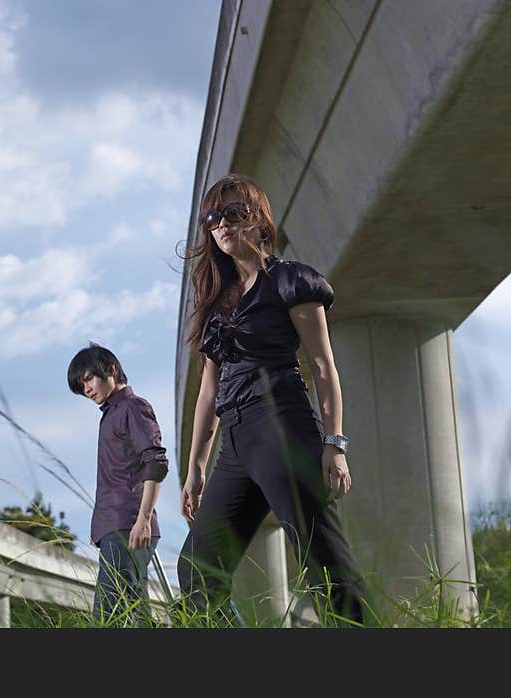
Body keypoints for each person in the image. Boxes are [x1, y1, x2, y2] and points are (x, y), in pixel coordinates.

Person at [177, 173, 367, 625]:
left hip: (282, 424)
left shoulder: (290, 282)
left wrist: (334, 444)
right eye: (212, 217)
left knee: (325, 567)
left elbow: (322, 365)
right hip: (235, 444)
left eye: (232, 213)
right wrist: (195, 468)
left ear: (259, 221)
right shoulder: (216, 304)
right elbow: (208, 393)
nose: (220, 224)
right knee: (196, 571)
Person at [67, 343, 170, 625]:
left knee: (107, 616)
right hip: (114, 527)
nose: (87, 389)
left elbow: (156, 462)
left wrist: (144, 519)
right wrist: (100, 526)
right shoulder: (111, 414)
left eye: (89, 379)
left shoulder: (132, 407)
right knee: (134, 610)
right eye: (81, 385)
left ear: (110, 369)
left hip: (129, 525)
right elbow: (114, 476)